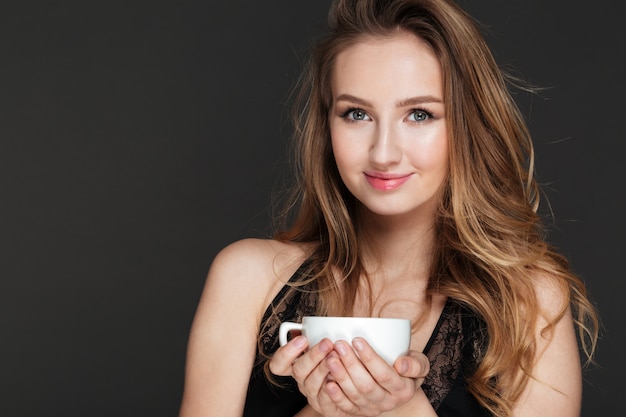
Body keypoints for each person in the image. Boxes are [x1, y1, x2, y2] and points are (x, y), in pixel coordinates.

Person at [177, 0, 599, 416]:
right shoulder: (247, 280)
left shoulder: (528, 302)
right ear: (327, 126)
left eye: (419, 114)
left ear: (467, 127)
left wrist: (404, 409)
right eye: (357, 113)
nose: (383, 153)